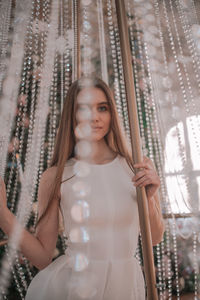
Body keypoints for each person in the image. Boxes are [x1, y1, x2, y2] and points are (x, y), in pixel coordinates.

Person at [0, 77, 165, 300]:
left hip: (127, 284)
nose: (95, 117)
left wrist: (150, 198)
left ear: (111, 113)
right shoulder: (56, 176)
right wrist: (5, 217)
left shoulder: (136, 165)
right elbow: (42, 257)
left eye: (102, 108)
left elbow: (154, 237)